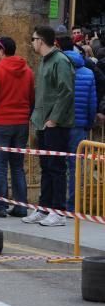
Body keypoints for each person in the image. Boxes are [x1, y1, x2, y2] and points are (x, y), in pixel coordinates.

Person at [23, 25, 75, 227]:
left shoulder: (60, 61)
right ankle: (44, 207)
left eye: (33, 38)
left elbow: (66, 92)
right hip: (43, 123)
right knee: (46, 167)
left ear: (41, 41)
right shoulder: (44, 62)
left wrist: (54, 118)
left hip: (56, 124)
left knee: (56, 168)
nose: (32, 42)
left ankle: (58, 211)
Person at [0, 37, 35, 218]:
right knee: (17, 166)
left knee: (0, 166)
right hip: (21, 123)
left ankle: (0, 206)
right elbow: (31, 97)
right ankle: (21, 206)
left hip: (2, 122)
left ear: (1, 50)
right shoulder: (27, 71)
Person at [62, 45, 96, 213]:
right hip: (79, 126)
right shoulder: (88, 73)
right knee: (75, 168)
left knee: (58, 165)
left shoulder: (60, 69)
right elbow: (92, 104)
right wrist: (88, 124)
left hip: (60, 124)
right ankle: (72, 206)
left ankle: (58, 204)